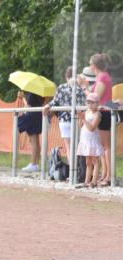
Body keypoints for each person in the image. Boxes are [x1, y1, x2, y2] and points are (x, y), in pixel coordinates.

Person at [43, 67, 86, 158]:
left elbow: (55, 101)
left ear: (66, 77)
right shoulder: (81, 88)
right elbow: (85, 102)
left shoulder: (62, 87)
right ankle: (79, 168)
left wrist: (47, 105)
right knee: (78, 145)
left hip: (65, 120)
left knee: (69, 146)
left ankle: (72, 169)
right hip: (79, 119)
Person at [88, 54, 113, 186]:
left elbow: (95, 98)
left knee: (106, 146)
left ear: (94, 65)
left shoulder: (102, 77)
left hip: (104, 112)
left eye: (90, 64)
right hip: (102, 112)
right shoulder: (102, 77)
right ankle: (105, 174)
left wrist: (84, 87)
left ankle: (109, 176)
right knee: (103, 146)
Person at [77, 93, 104, 188]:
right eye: (88, 103)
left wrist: (83, 119)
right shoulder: (87, 112)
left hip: (92, 140)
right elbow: (81, 126)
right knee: (88, 162)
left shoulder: (98, 114)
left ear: (97, 103)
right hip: (85, 139)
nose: (90, 105)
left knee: (95, 161)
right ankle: (86, 181)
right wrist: (80, 118)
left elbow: (92, 127)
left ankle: (94, 181)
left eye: (92, 103)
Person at [16, 89, 44, 174]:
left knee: (34, 141)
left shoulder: (32, 92)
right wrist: (23, 97)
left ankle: (33, 164)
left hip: (32, 116)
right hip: (37, 115)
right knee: (35, 141)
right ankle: (36, 164)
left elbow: (28, 106)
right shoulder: (39, 93)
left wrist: (21, 111)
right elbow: (31, 103)